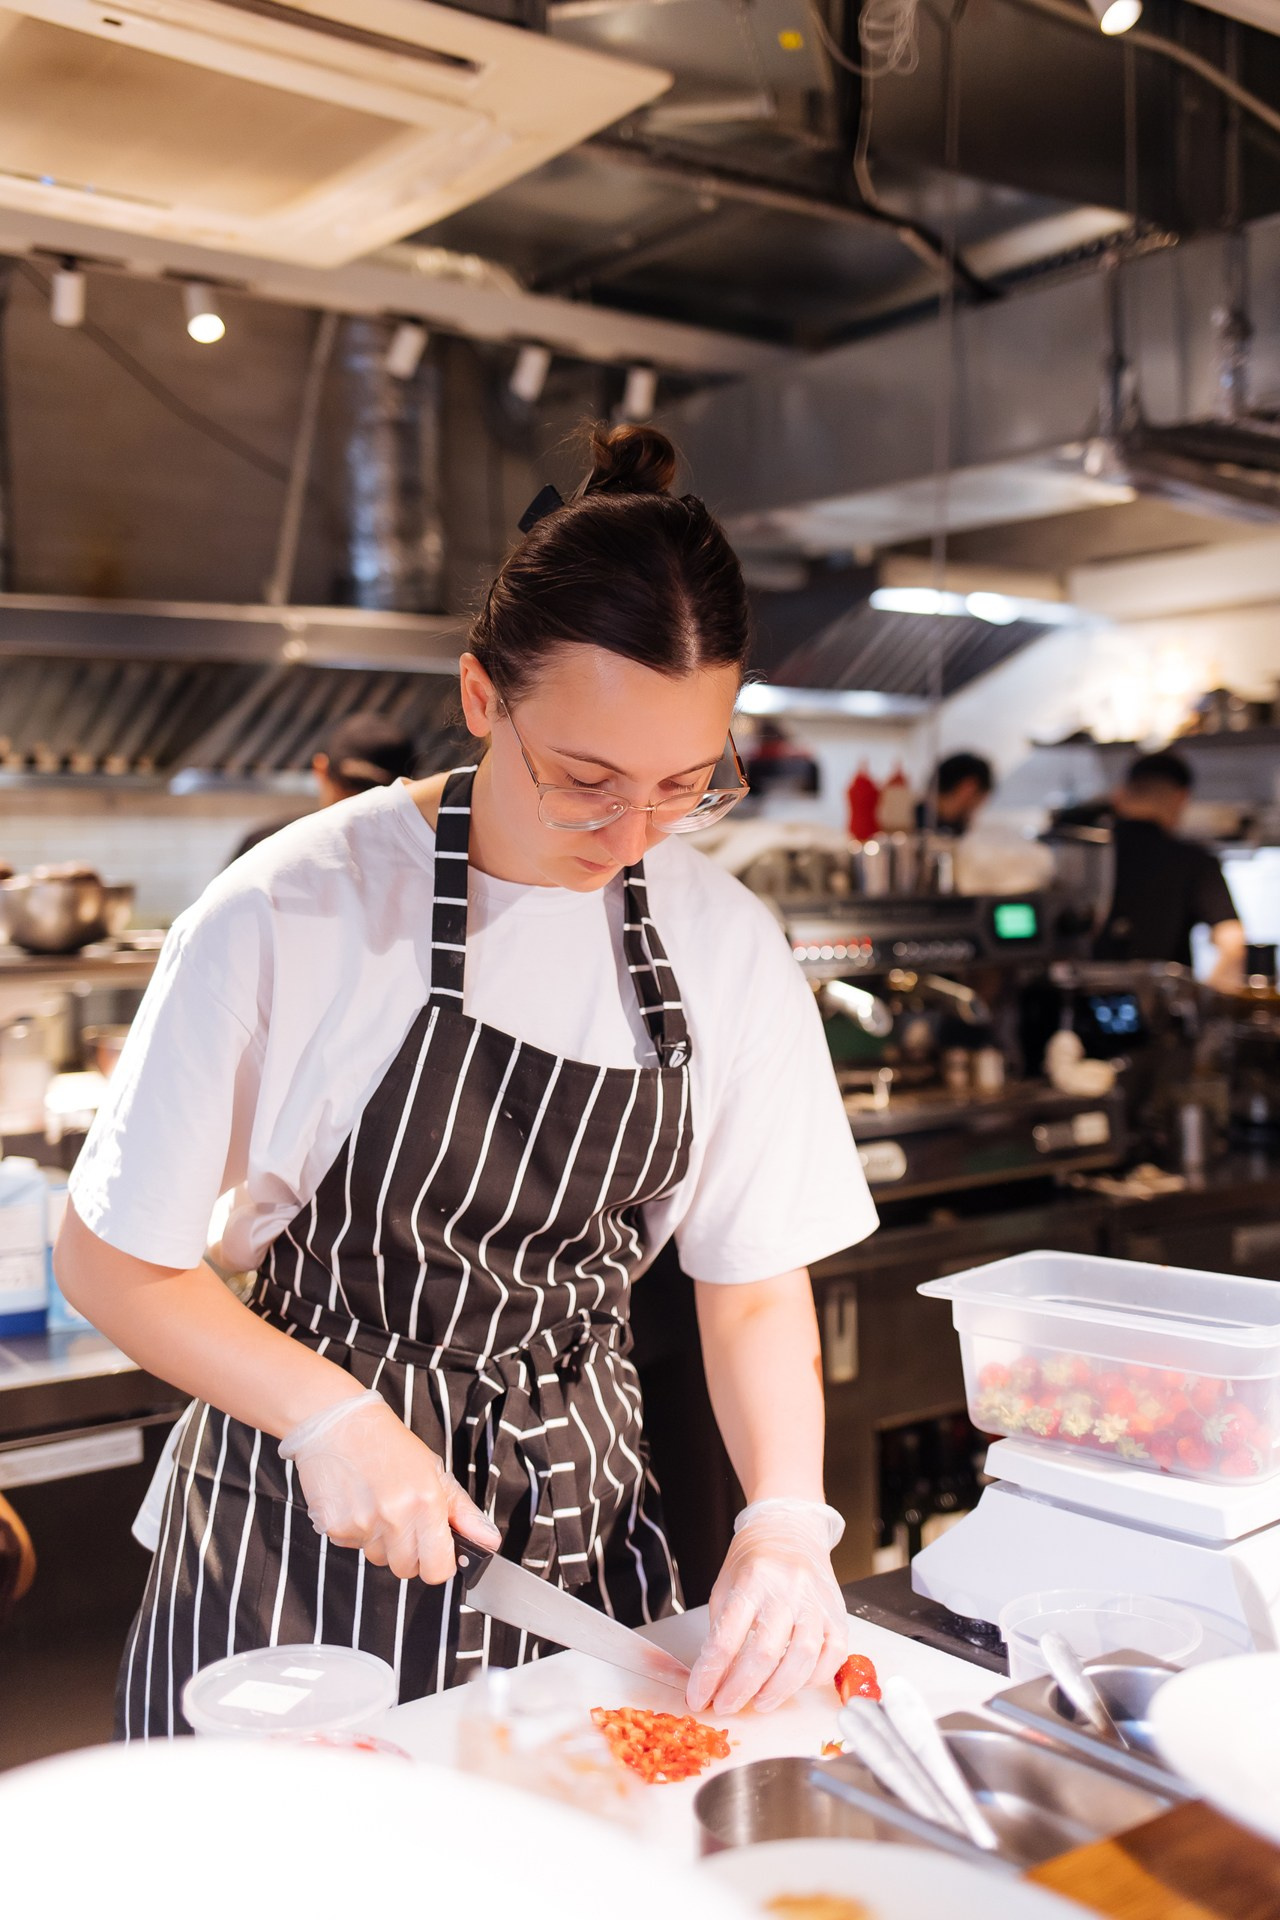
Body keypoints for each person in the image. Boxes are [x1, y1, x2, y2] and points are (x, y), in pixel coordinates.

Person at [55, 423, 878, 1739]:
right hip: (296, 1534)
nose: (630, 837)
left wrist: (785, 1515)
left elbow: (752, 1279)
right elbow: (108, 1264)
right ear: (484, 697)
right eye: (585, 781)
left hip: (579, 1527)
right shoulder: (296, 907)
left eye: (684, 785)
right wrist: (328, 1417)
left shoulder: (723, 940)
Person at [1089, 751, 1245, 988]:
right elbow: (1233, 944)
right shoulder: (1193, 861)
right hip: (1163, 1005)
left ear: (1120, 795)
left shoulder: (1086, 855)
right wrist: (1205, 999)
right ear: (1181, 798)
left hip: (1078, 1004)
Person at [230, 713, 417, 861]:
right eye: (353, 785)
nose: (359, 803)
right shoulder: (420, 856)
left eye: (371, 788)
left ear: (320, 768)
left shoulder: (268, 845)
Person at [918, 752, 993, 835]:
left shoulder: (923, 821)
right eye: (980, 800)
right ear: (968, 788)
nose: (975, 811)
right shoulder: (915, 828)